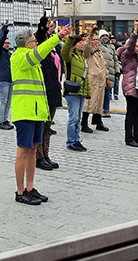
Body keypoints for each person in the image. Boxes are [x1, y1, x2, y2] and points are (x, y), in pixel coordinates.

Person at [11, 24, 70, 205]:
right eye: (34, 41)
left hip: (36, 112)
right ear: (26, 44)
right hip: (25, 112)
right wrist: (57, 37)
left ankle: (30, 188)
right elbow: (40, 52)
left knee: (33, 151)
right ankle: (20, 191)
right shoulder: (20, 57)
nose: (36, 44)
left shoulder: (32, 60)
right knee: (23, 151)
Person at [35, 16, 62, 170]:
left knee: (47, 127)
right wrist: (43, 25)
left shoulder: (54, 51)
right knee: (41, 126)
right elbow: (40, 36)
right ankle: (38, 157)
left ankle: (46, 154)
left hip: (54, 91)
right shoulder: (41, 51)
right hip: (44, 91)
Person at [61, 33, 90, 151]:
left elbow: (85, 77)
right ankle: (70, 142)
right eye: (79, 42)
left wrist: (87, 92)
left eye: (82, 42)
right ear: (74, 44)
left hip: (80, 91)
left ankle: (77, 140)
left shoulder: (81, 57)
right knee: (73, 118)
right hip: (72, 91)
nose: (82, 44)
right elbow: (64, 51)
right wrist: (70, 38)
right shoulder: (70, 57)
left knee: (78, 118)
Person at [83, 27, 109, 132]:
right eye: (94, 40)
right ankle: (84, 123)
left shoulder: (99, 51)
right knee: (88, 102)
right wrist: (90, 35)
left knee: (99, 102)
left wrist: (107, 76)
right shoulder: (88, 52)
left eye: (97, 40)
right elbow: (86, 46)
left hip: (101, 80)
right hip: (92, 79)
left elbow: (104, 65)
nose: (96, 41)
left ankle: (98, 121)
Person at [98, 30, 118, 119]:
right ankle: (100, 110)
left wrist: (117, 70)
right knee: (101, 93)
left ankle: (106, 110)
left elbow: (115, 60)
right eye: (103, 36)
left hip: (110, 72)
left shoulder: (112, 47)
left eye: (106, 35)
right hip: (101, 72)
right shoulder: (98, 45)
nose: (105, 37)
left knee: (107, 92)